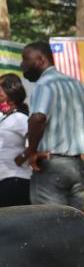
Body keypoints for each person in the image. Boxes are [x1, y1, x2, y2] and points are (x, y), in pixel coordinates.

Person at [17, 42, 84, 210]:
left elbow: (37, 118)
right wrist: (81, 145)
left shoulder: (44, 84)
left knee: (49, 223)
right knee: (73, 223)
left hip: (51, 166)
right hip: (76, 167)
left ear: (41, 60)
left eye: (25, 59)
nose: (22, 65)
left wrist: (33, 151)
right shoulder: (75, 84)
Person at [0, 74, 31, 207]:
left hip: (15, 180)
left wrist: (24, 156)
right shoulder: (4, 117)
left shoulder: (20, 118)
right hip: (4, 179)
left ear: (11, 94)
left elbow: (39, 140)